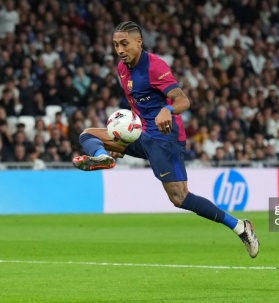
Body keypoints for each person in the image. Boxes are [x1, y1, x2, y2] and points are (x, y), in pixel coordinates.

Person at [72, 21, 259, 258]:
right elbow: (137, 103)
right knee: (87, 133)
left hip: (164, 136)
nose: (119, 49)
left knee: (180, 197)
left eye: (124, 44)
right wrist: (123, 140)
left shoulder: (154, 66)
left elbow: (183, 100)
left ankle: (241, 227)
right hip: (140, 133)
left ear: (139, 42)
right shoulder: (122, 67)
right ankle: (102, 156)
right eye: (115, 44)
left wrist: (167, 110)